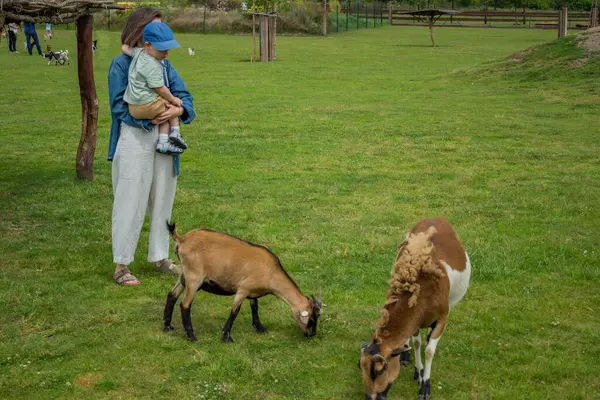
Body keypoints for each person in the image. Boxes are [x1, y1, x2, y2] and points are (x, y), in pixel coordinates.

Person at [107, 7, 196, 286]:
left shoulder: (165, 64)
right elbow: (119, 106)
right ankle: (121, 265)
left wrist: (178, 113)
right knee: (130, 201)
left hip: (165, 141)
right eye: (152, 28)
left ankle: (160, 257)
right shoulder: (120, 64)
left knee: (163, 199)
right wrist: (154, 117)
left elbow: (184, 97)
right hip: (134, 139)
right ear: (139, 33)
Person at [121, 21, 188, 155]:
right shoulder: (153, 66)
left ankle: (163, 143)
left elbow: (125, 48)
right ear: (148, 45)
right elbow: (160, 88)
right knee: (170, 105)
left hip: (133, 107)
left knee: (162, 113)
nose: (167, 53)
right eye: (163, 49)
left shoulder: (138, 53)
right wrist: (174, 100)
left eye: (168, 49)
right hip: (147, 105)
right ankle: (175, 133)